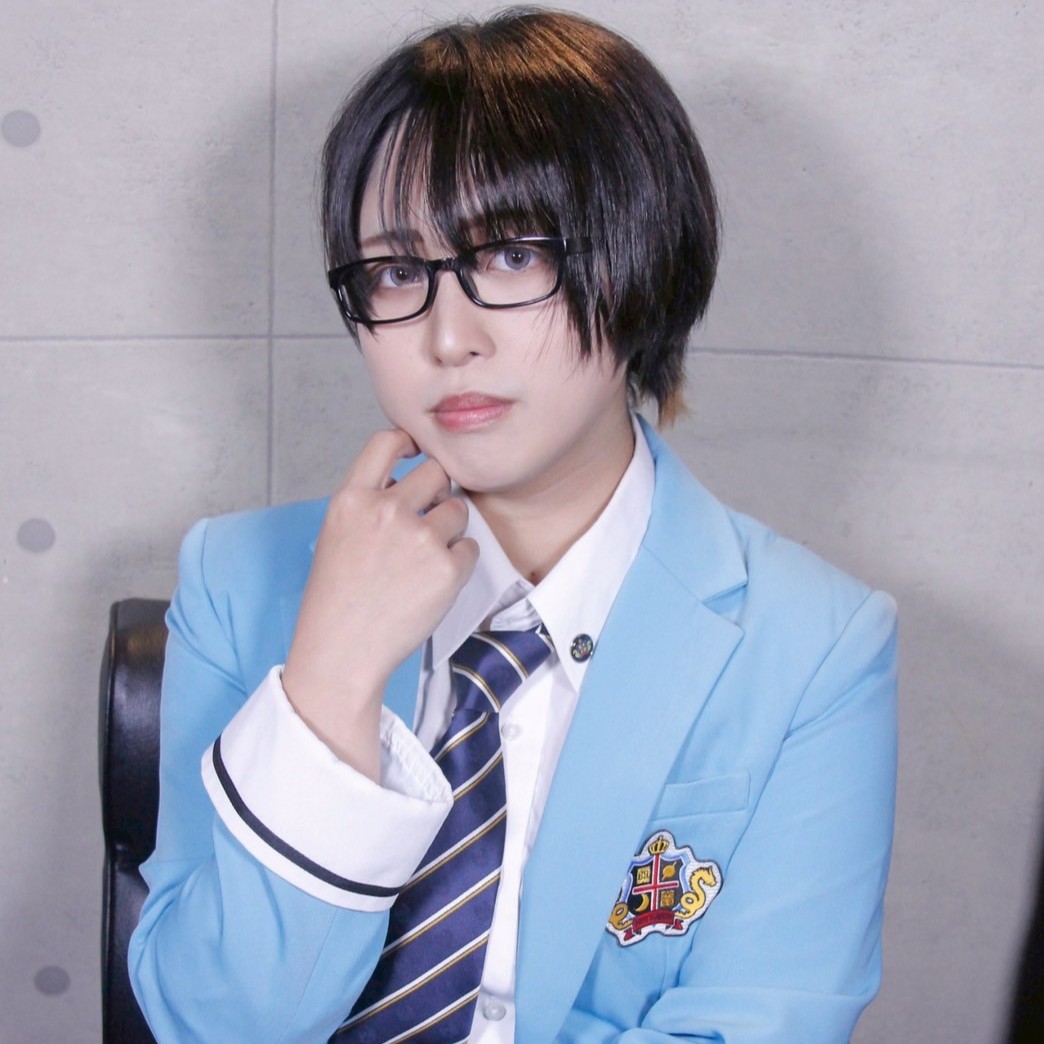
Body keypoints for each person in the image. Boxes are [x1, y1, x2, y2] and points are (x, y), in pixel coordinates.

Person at [129, 8, 898, 1042]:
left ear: (642, 259)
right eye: (396, 272)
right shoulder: (238, 577)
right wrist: (329, 686)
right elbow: (210, 1023)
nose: (449, 337)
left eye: (512, 256)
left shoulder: (815, 646)